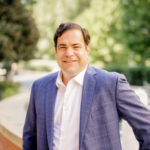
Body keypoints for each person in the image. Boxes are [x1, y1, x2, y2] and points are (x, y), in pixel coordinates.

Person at [23, 22, 150, 150]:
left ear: (87, 49)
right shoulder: (40, 87)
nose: (69, 53)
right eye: (62, 47)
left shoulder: (111, 83)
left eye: (76, 46)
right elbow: (30, 138)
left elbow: (147, 128)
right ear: (56, 50)